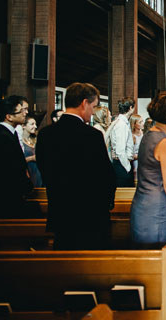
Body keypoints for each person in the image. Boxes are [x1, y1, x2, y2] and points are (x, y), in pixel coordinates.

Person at [36, 83, 116, 249]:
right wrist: (107, 203)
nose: (93, 112)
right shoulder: (92, 136)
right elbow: (106, 175)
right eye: (93, 107)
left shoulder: (45, 134)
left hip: (60, 212)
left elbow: (43, 168)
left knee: (63, 265)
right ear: (84, 103)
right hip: (90, 215)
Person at [130, 92, 166, 246]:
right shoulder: (165, 142)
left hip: (141, 204)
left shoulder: (148, 135)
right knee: (160, 256)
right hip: (157, 207)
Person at [0, 95, 35, 218]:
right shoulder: (2, 137)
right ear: (9, 116)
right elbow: (9, 169)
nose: (26, 113)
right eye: (21, 111)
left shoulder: (9, 134)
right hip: (8, 196)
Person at [108, 97, 136, 188]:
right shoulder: (121, 124)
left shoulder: (124, 123)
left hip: (122, 163)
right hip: (122, 165)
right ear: (131, 108)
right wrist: (127, 167)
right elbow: (120, 150)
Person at [22, 115, 42, 188]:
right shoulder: (20, 141)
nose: (35, 126)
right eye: (32, 124)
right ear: (24, 126)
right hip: (27, 171)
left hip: (38, 171)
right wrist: (31, 158)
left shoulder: (36, 140)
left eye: (35, 124)